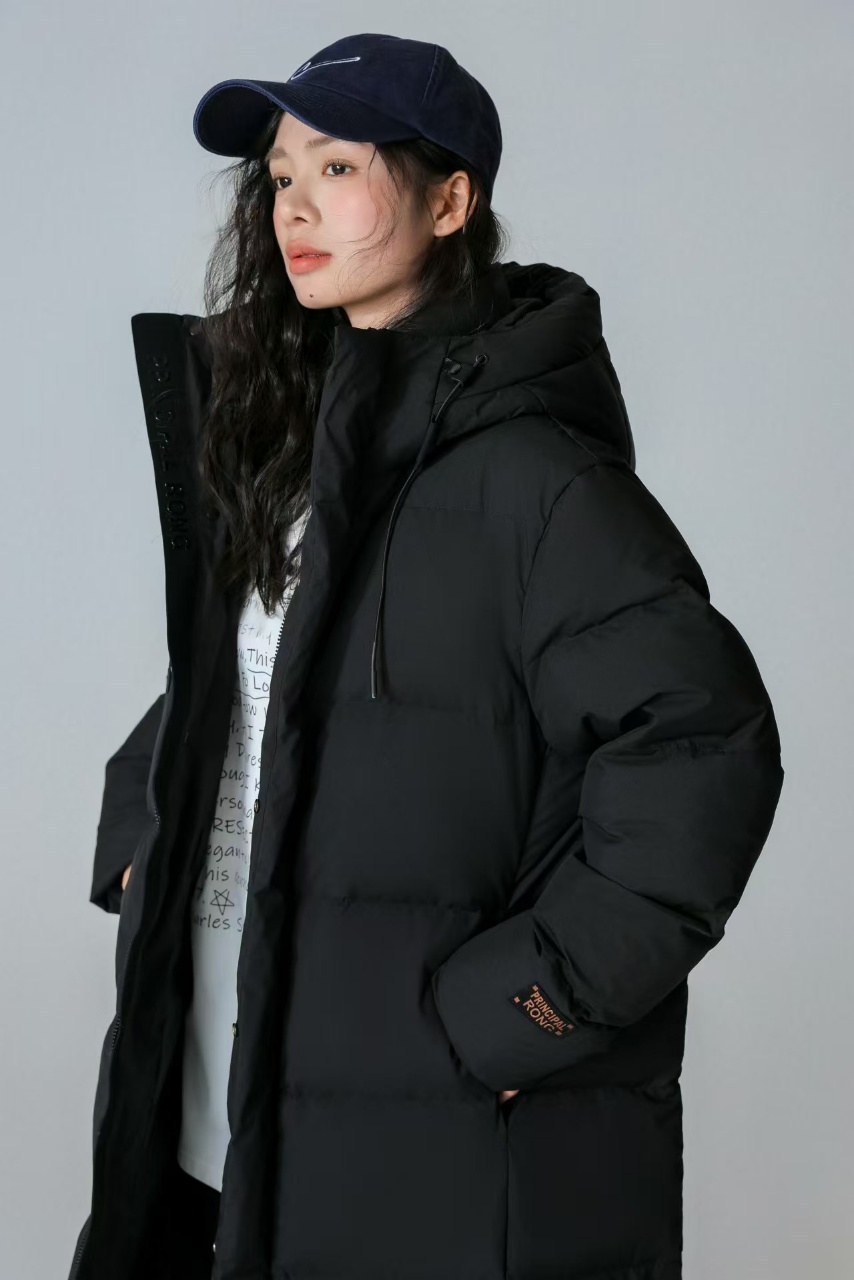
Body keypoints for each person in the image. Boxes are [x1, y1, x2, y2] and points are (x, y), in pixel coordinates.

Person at [67, 31, 785, 1280]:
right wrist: (144, 831)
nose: (293, 206)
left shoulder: (536, 479)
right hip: (222, 1071)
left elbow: (701, 739)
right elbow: (233, 681)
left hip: (415, 1114)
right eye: (280, 176)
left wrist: (530, 1005)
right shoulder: (289, 452)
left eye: (337, 168)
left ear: (450, 202)